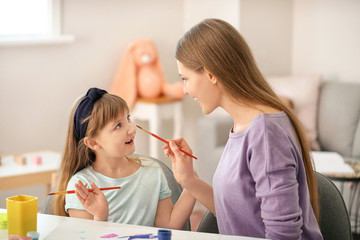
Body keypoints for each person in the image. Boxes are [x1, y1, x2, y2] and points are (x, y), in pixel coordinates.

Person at [163, 19, 323, 239]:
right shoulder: (245, 123)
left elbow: (283, 235)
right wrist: (189, 180)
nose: (186, 89)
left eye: (186, 78)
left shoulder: (264, 133)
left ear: (210, 74)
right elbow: (239, 214)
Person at [54, 88, 195, 229]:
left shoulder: (153, 171)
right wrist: (100, 216)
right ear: (93, 143)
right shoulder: (82, 186)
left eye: (128, 118)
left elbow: (169, 226)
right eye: (118, 126)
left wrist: (192, 181)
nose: (132, 129)